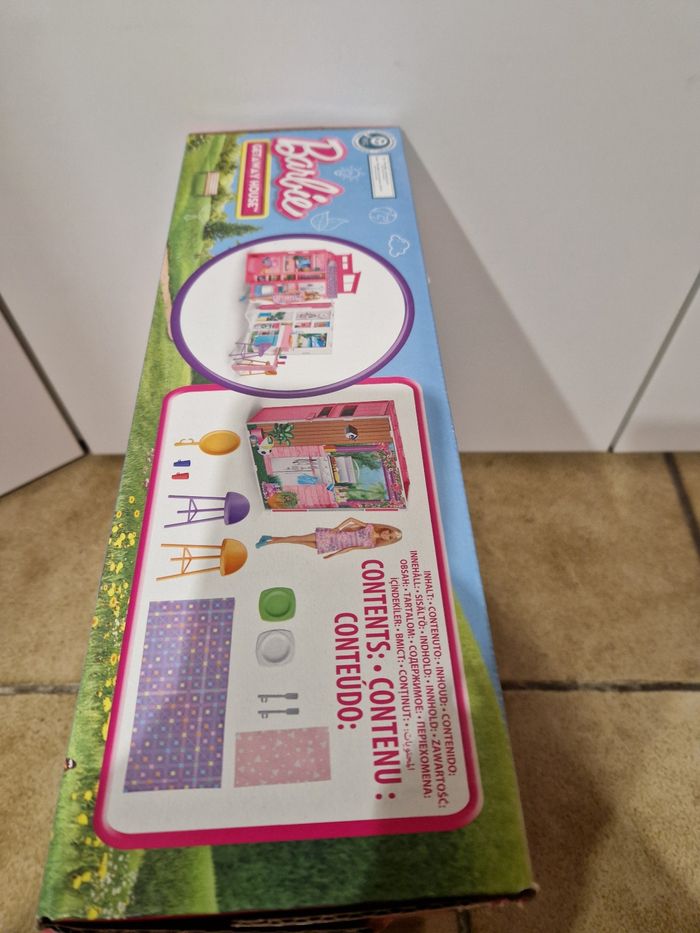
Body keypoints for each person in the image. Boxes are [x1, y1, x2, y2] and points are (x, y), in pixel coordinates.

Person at [256, 518, 402, 559]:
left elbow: (351, 549)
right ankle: (267, 543)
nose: (387, 535)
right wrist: (337, 528)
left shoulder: (372, 544)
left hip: (333, 546)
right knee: (298, 538)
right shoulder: (370, 527)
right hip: (333, 535)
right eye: (390, 532)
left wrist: (334, 555)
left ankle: (270, 538)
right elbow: (351, 520)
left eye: (390, 537)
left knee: (300, 542)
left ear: (388, 541)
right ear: (387, 528)